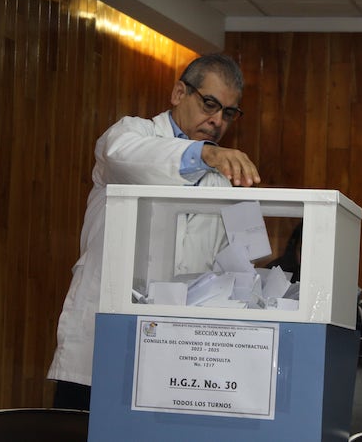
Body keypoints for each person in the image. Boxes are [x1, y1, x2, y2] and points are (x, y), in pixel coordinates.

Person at [47, 54, 260, 410]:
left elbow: (242, 267)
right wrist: (204, 154)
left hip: (178, 357)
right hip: (102, 348)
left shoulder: (228, 176)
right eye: (209, 104)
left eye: (228, 113)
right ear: (179, 93)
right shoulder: (131, 134)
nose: (217, 121)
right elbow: (122, 154)